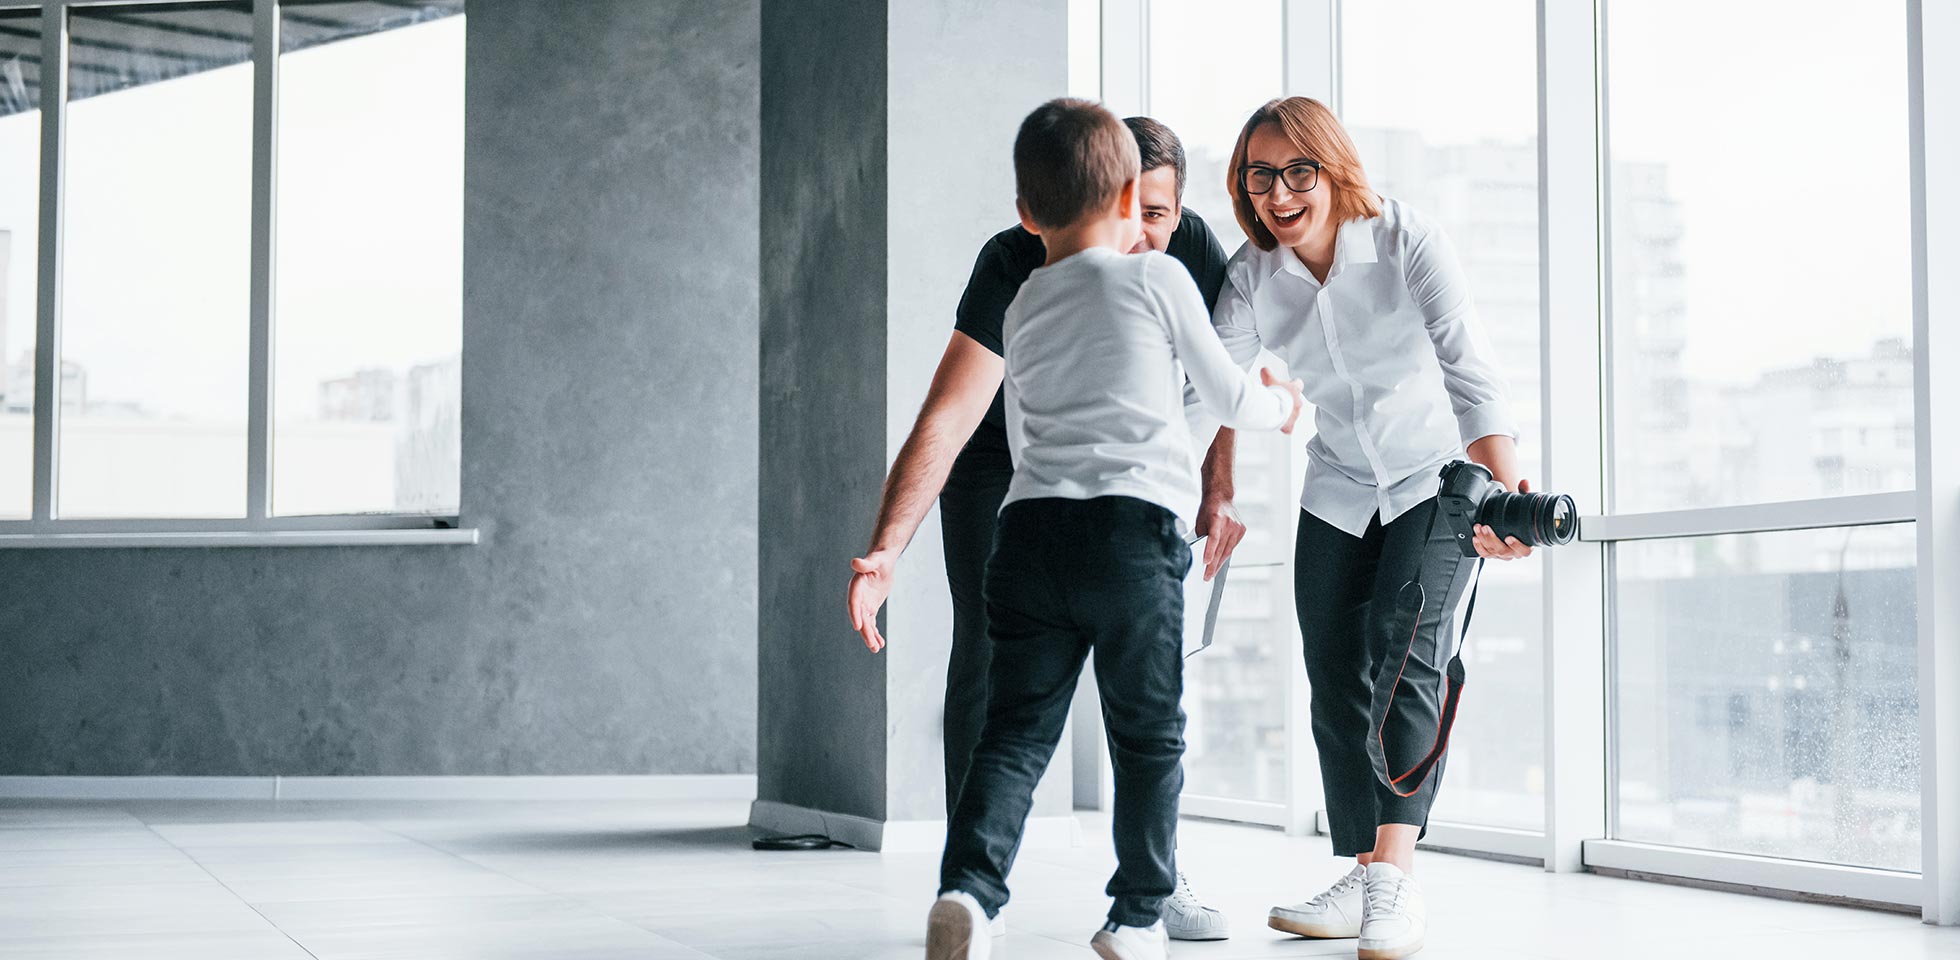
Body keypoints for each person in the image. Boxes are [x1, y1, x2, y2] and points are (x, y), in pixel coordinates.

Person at [917, 96, 1304, 960]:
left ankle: (970, 894)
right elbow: (1230, 392)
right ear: (1132, 198)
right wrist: (1282, 401)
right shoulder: (1162, 277)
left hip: (1028, 536)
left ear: (1029, 211)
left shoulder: (1022, 304)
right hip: (1132, 539)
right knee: (1147, 731)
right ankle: (1135, 914)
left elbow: (1020, 435)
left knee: (1015, 730)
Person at [845, 117, 1241, 940]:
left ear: (1165, 204)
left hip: (1132, 475)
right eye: (1139, 213)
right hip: (1006, 465)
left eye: (1161, 217)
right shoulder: (1014, 263)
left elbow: (1221, 364)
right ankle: (975, 885)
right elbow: (951, 413)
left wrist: (1218, 482)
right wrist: (888, 545)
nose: (1145, 236)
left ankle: (1152, 882)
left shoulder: (1188, 250)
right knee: (998, 672)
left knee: (1147, 691)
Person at [1205, 97, 1535, 960]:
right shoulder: (1250, 276)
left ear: (1333, 167)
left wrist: (1499, 498)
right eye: (1260, 175)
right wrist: (1218, 492)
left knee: (1410, 655)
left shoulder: (1405, 239)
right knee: (1333, 670)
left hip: (1436, 479)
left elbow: (1470, 369)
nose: (1281, 193)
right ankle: (1363, 873)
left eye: (1298, 170)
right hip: (1341, 484)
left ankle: (1397, 876)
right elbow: (1217, 392)